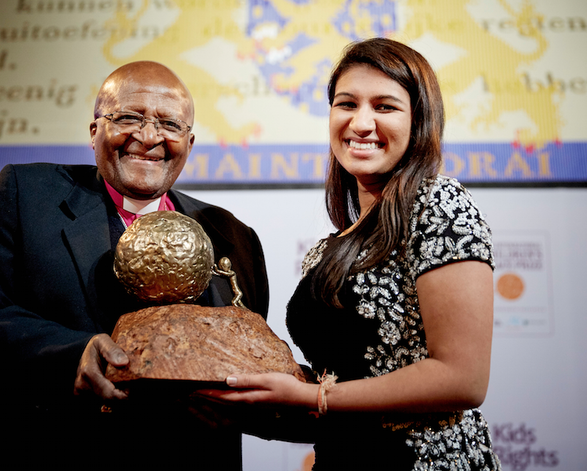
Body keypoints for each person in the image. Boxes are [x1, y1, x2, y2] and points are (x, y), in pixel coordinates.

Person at [0, 61, 270, 471]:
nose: (148, 137)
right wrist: (72, 357)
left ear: (190, 142)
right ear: (94, 132)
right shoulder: (28, 196)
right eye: (128, 117)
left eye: (170, 124)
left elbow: (247, 360)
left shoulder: (233, 237)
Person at [203, 38, 501, 469]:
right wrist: (244, 403)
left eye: (385, 107)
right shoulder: (330, 248)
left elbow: (463, 379)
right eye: (347, 104)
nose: (361, 123)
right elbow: (340, 393)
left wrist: (312, 396)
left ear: (419, 122)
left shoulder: (439, 204)